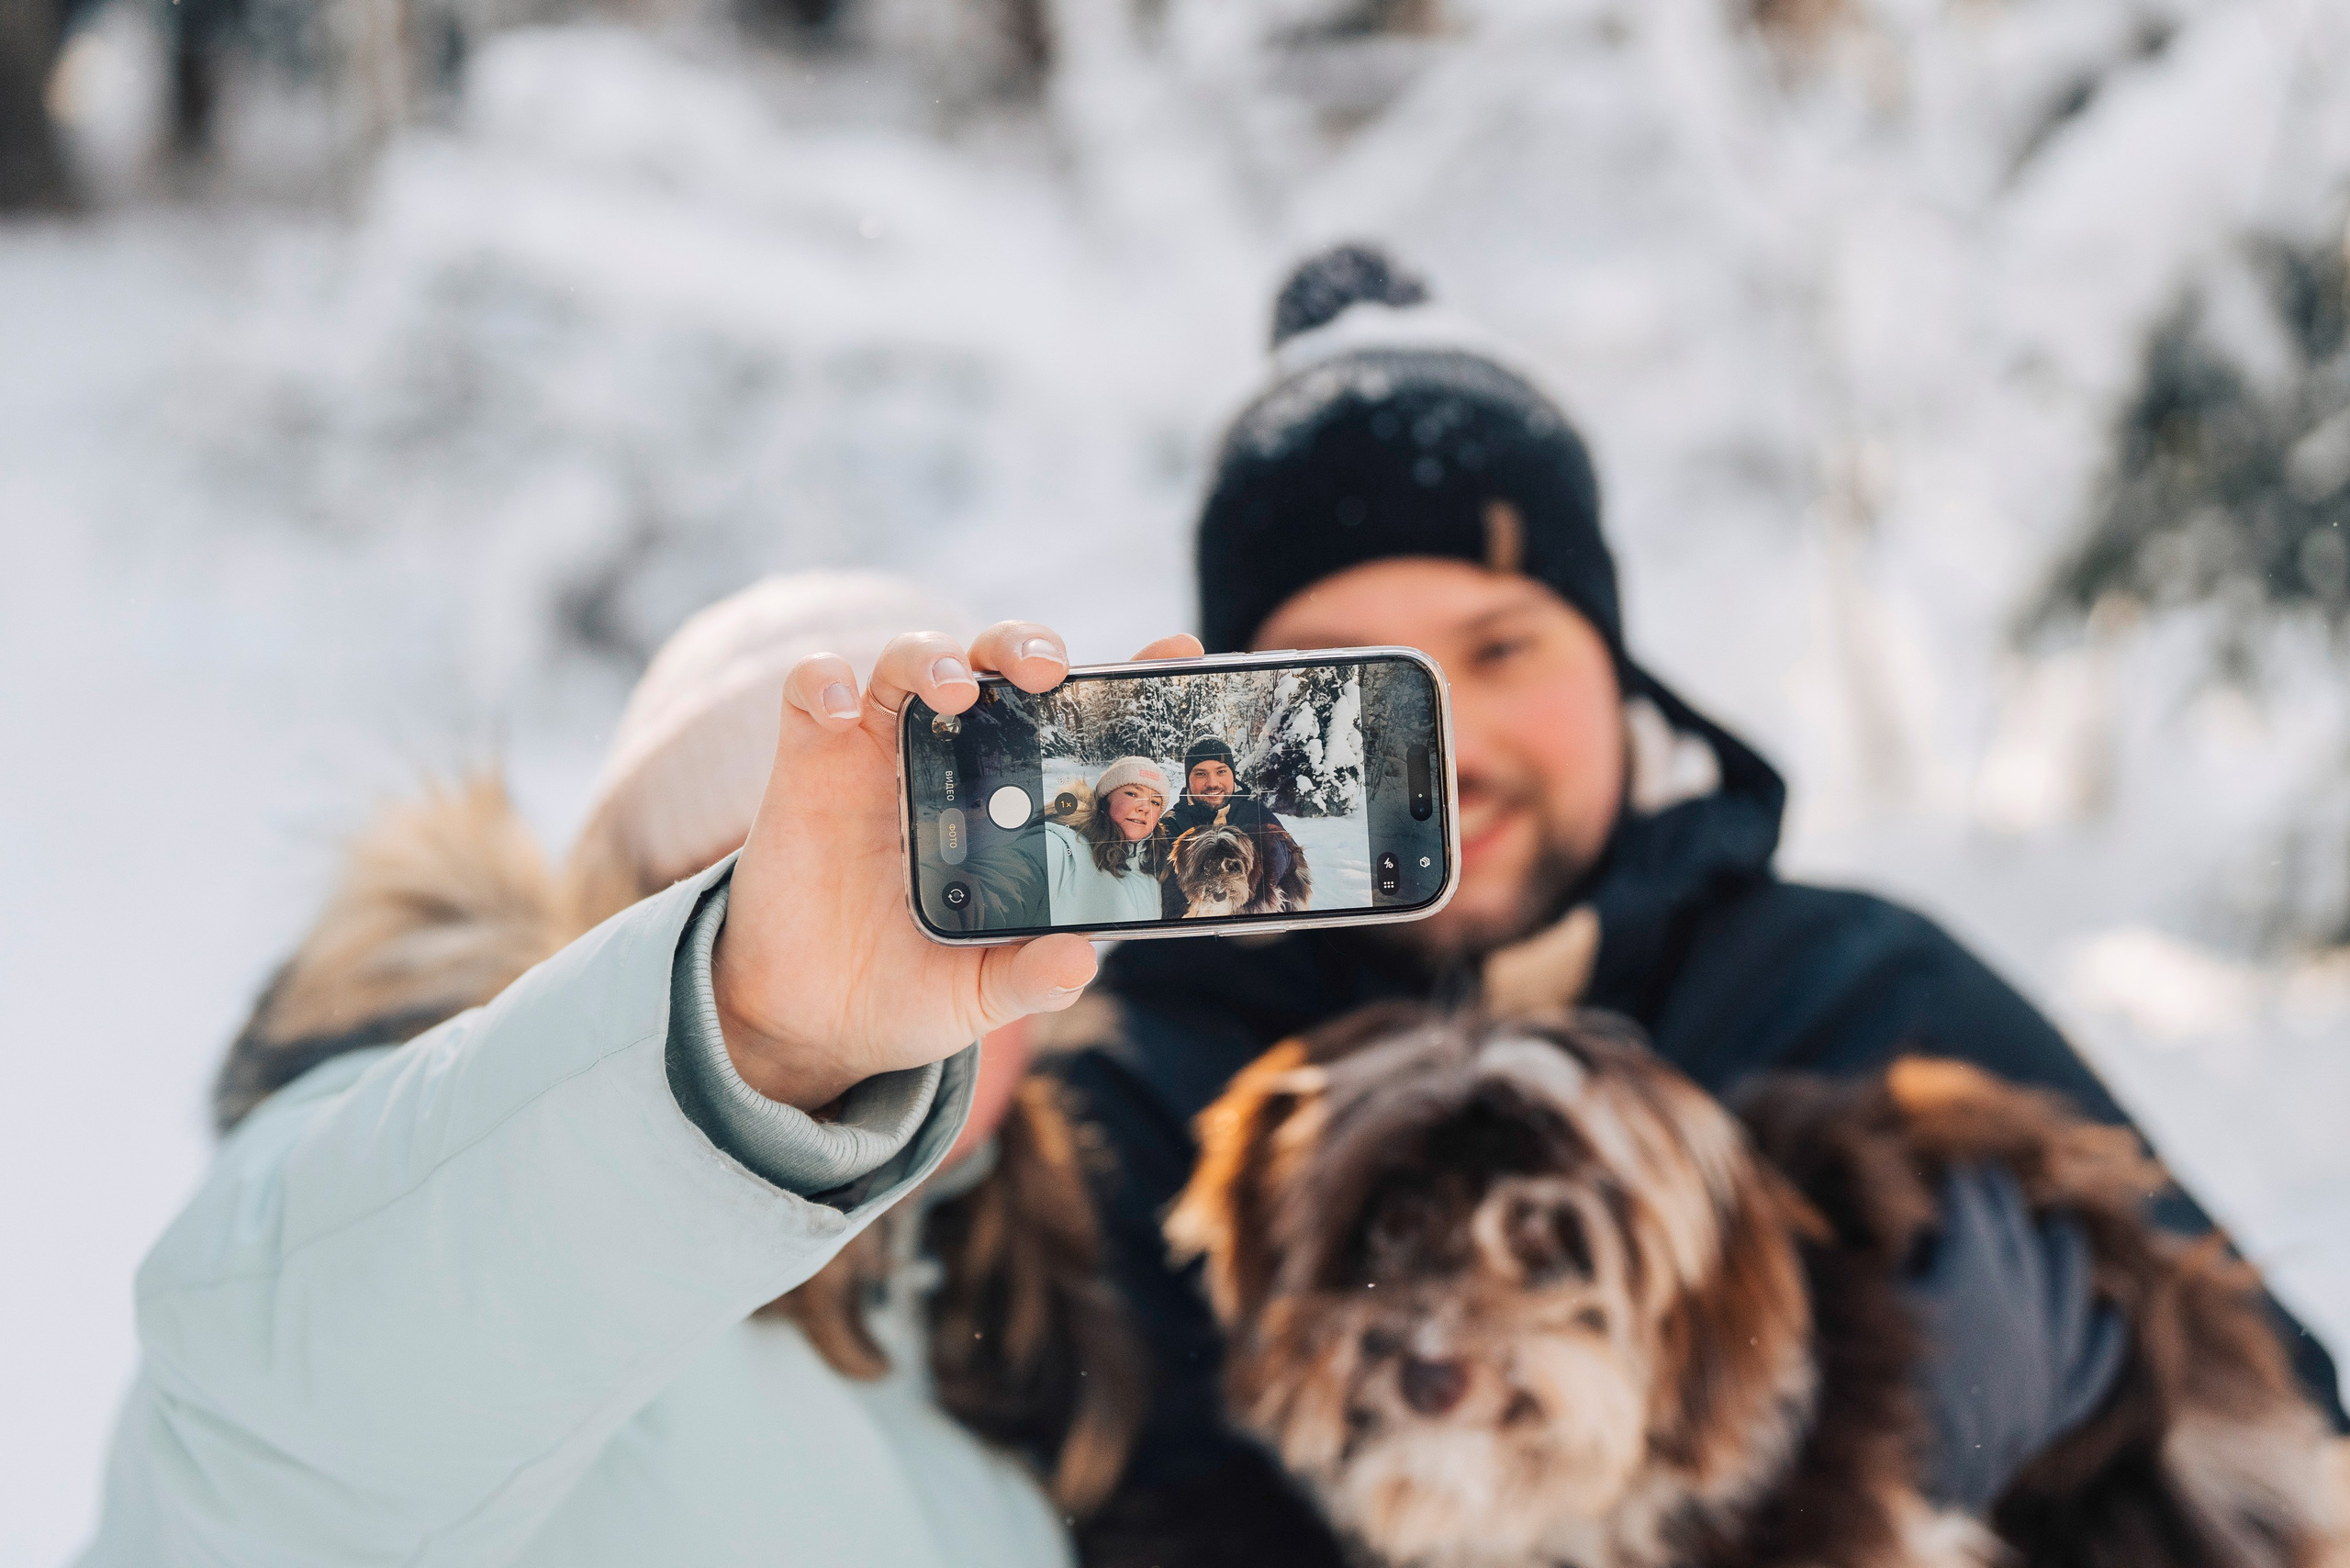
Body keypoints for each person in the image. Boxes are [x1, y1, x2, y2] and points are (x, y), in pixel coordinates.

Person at [1042, 244, 2347, 1560]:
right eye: (1348, 685)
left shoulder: (1860, 988)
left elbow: (2303, 1435)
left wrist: (2105, 1403)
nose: (1446, 751)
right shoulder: (1142, 1092)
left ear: (1614, 668)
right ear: (1236, 722)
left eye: (1502, 650)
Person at [82, 573, 1192, 1566]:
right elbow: (270, 1443)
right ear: (634, 937)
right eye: (774, 883)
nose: (891, 940)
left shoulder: (1044, 1314)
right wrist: (758, 1040)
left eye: (950, 862)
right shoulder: (445, 1164)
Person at [1157, 735, 1300, 919]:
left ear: (1233, 774)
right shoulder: (1171, 825)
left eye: (1221, 771)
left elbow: (1293, 865)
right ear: (1188, 780)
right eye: (1200, 773)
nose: (1213, 783)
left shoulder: (1257, 814)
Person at [1043, 756, 1174, 926]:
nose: (1145, 807)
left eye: (1155, 802)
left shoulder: (1153, 864)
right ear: (1106, 798)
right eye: (1133, 794)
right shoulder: (1064, 846)